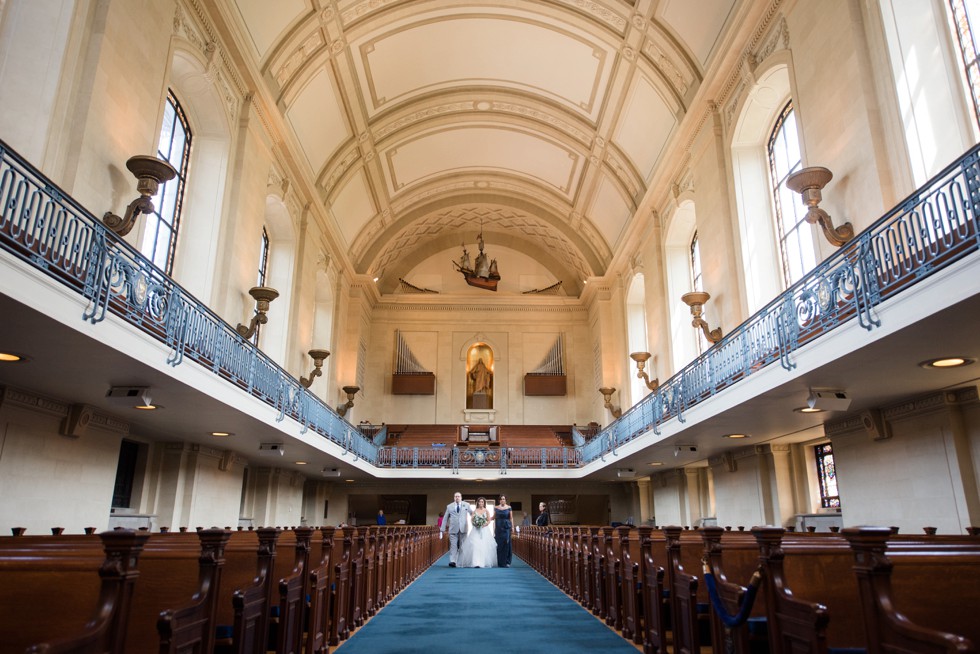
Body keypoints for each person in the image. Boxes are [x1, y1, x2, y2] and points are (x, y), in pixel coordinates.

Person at [457, 498, 497, 568]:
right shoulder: (475, 511)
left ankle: (482, 562)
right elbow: (472, 519)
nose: (481, 503)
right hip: (476, 530)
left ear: (484, 503)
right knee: (475, 545)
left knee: (483, 545)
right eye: (480, 502)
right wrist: (475, 524)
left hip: (484, 530)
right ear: (478, 503)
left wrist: (484, 524)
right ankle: (475, 562)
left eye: (482, 502)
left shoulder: (486, 511)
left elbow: (488, 520)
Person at [439, 491, 473, 567]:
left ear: (461, 497)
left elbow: (472, 513)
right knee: (453, 546)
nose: (457, 498)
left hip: (463, 528)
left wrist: (476, 520)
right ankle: (453, 561)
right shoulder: (449, 506)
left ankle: (461, 561)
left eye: (458, 496)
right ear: (454, 498)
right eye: (455, 496)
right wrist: (442, 529)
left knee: (462, 545)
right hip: (453, 528)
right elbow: (445, 518)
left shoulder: (466, 505)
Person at [494, 494, 513, 567]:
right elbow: (494, 517)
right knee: (499, 544)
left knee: (506, 543)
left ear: (505, 500)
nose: (502, 500)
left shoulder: (509, 507)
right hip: (498, 527)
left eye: (504, 499)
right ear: (499, 500)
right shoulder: (496, 507)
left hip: (506, 526)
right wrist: (485, 518)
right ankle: (500, 562)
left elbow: (511, 518)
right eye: (501, 499)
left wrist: (513, 527)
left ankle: (507, 561)